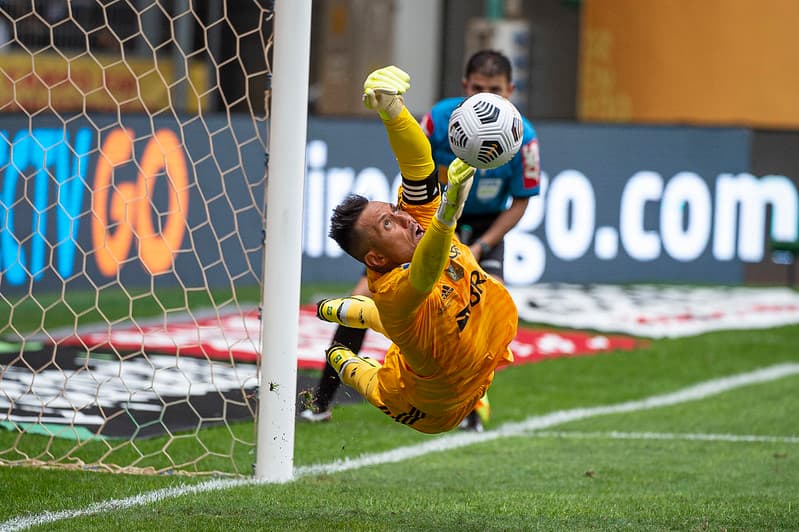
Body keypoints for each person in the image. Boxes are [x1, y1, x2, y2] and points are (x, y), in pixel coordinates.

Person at [300, 50, 540, 430]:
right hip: (423, 403)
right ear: (376, 258)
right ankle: (326, 390)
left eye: (394, 211)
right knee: (365, 356)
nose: (403, 216)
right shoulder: (395, 285)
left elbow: (417, 166)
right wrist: (446, 218)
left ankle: (344, 314)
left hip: (479, 227)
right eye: (388, 224)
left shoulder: (414, 220)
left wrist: (393, 111)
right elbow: (426, 271)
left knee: (376, 312)